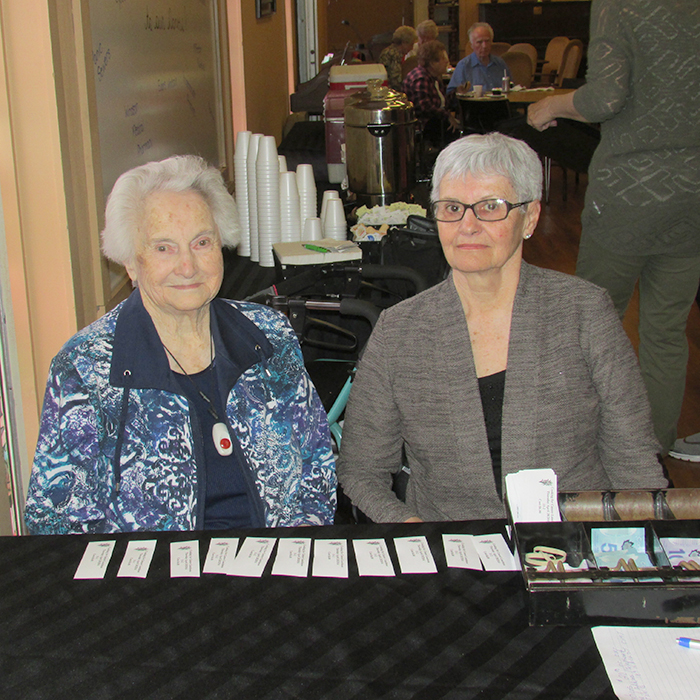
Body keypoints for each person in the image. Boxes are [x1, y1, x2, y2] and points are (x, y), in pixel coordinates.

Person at [336, 133, 666, 523]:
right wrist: (413, 529)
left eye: (490, 207)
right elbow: (361, 470)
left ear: (530, 218)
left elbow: (635, 464)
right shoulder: (400, 331)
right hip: (452, 556)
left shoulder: (583, 312)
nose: (468, 226)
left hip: (572, 547)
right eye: (452, 207)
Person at [24, 155, 337, 534]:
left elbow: (316, 462)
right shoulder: (84, 369)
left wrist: (293, 553)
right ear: (130, 263)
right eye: (163, 248)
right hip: (154, 584)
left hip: (277, 567)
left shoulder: (269, 335)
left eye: (201, 242)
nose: (188, 266)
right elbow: (56, 522)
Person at [527, 0, 700, 457]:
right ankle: (652, 450)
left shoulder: (618, 5)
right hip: (694, 194)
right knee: (666, 330)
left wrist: (551, 104)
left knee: (593, 323)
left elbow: (606, 97)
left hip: (629, 193)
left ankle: (581, 450)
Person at [402, 40, 460, 143]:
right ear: (433, 63)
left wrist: (458, 92)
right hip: (423, 126)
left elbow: (444, 102)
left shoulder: (434, 77)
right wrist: (447, 116)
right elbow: (424, 108)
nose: (447, 61)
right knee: (456, 131)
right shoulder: (421, 78)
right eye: (443, 58)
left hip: (435, 122)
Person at [446, 22, 510, 95]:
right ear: (471, 45)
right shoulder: (463, 66)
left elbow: (511, 89)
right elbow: (450, 95)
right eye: (479, 42)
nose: (484, 46)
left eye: (487, 41)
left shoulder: (500, 64)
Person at [379, 25, 418, 91]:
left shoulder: (391, 51)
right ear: (404, 43)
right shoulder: (393, 55)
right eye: (411, 44)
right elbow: (396, 82)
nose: (411, 48)